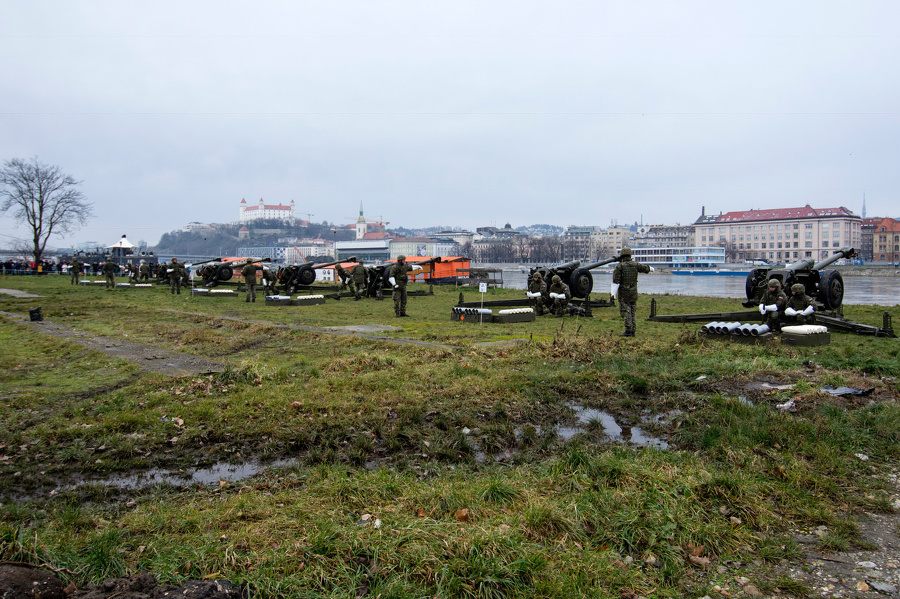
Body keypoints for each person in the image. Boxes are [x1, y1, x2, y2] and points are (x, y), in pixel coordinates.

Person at [612, 247, 651, 337]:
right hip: (633, 291)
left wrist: (612, 293)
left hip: (623, 292)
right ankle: (633, 330)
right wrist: (650, 268)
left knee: (625, 311)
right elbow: (646, 269)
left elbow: (616, 280)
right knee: (633, 311)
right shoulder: (636, 265)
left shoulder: (620, 266)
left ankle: (628, 330)